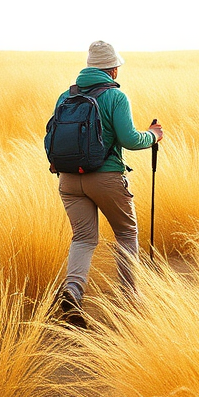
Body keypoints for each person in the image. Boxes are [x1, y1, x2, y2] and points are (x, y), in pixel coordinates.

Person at [54, 41, 163, 328]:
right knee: (126, 233)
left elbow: (51, 136)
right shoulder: (116, 97)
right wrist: (153, 135)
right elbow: (130, 139)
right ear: (112, 69)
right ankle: (130, 298)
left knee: (83, 238)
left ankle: (72, 291)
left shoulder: (66, 96)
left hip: (68, 180)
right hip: (106, 178)